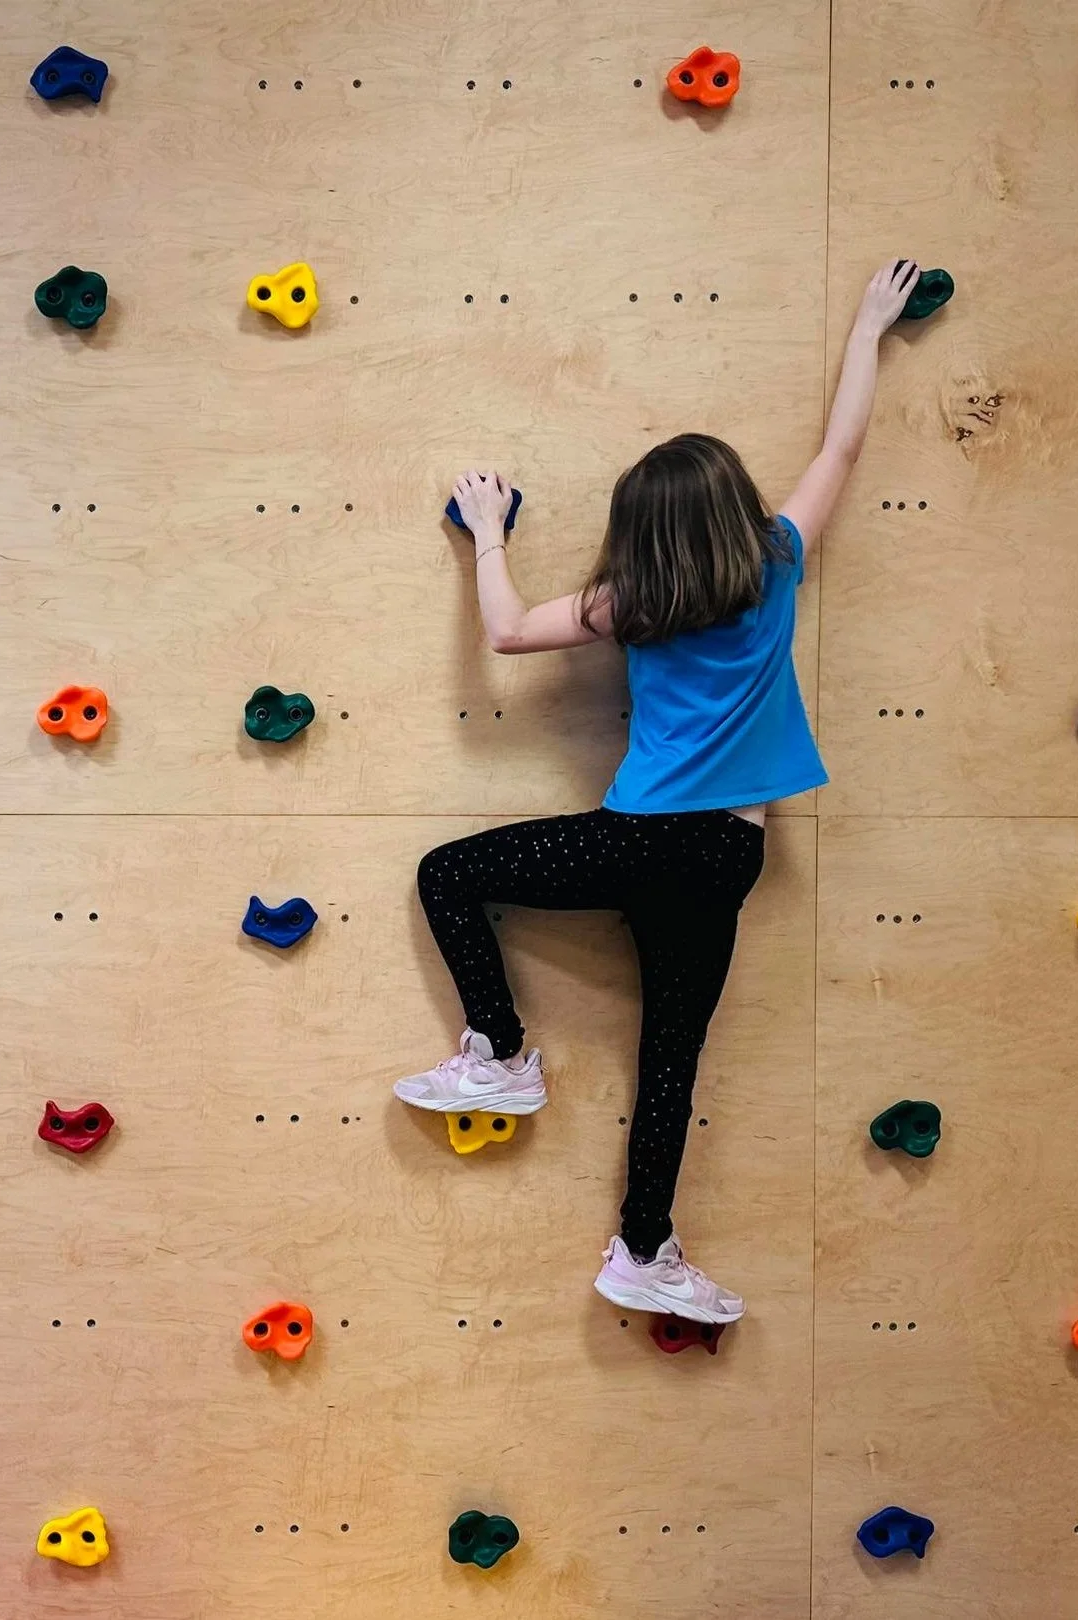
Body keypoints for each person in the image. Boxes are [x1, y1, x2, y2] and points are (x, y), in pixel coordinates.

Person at [396, 259, 921, 1324]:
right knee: (668, 1063)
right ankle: (641, 1249)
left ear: (637, 533)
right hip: (725, 854)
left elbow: (504, 630)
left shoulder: (629, 598)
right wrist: (868, 328)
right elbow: (840, 449)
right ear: (732, 507)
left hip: (638, 842)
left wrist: (489, 532)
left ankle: (498, 1049)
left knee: (446, 873)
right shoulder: (773, 559)